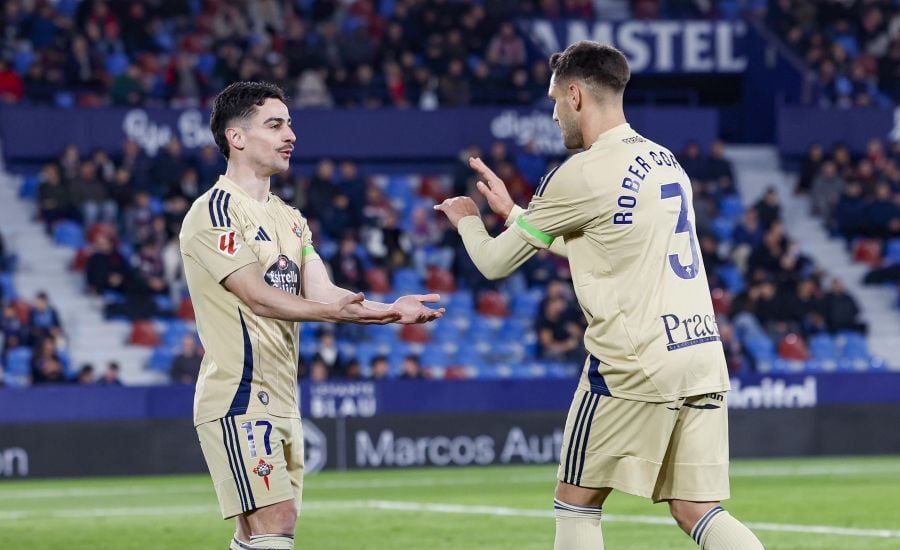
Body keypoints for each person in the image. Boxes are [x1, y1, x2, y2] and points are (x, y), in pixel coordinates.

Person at [435, 41, 764, 550]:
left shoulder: (581, 172)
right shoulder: (664, 160)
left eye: (553, 101)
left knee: (576, 502)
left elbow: (494, 263)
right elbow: (606, 249)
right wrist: (515, 214)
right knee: (697, 509)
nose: (553, 114)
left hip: (632, 363)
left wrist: (468, 222)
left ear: (575, 95)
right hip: (699, 353)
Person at [179, 81, 443, 550]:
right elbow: (255, 295)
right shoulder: (213, 211)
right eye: (275, 124)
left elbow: (324, 291)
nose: (291, 135)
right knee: (275, 523)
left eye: (290, 123)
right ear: (236, 138)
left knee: (260, 531)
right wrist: (329, 312)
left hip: (284, 398)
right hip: (238, 397)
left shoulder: (290, 217)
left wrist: (390, 310)